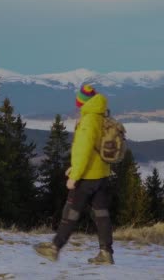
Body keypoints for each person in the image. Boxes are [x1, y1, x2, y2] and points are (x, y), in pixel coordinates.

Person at [34, 83, 114, 265]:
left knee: (70, 213)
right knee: (102, 215)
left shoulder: (88, 121)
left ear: (83, 103)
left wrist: (74, 176)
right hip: (102, 174)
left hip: (86, 177)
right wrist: (74, 167)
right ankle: (106, 253)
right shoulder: (103, 117)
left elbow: (84, 150)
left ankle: (54, 248)